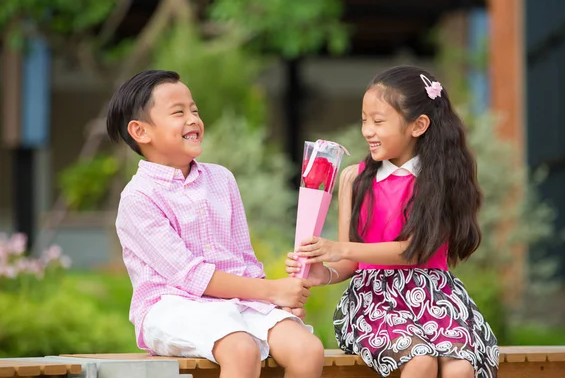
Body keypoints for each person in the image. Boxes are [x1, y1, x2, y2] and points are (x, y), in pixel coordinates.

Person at [106, 70, 324, 378]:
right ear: (141, 131)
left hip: (239, 304)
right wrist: (273, 291)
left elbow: (244, 259)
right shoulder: (138, 197)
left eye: (194, 110)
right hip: (173, 307)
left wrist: (278, 304)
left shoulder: (221, 179)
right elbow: (190, 276)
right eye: (178, 112)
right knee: (241, 349)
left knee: (308, 350)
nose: (193, 119)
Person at [286, 66, 499, 378]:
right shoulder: (354, 179)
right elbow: (350, 264)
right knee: (420, 360)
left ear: (418, 125)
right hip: (374, 301)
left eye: (378, 121)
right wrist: (326, 272)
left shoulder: (439, 179)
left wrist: (341, 249)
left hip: (435, 299)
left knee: (461, 369)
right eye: (364, 120)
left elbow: (415, 251)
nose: (367, 130)